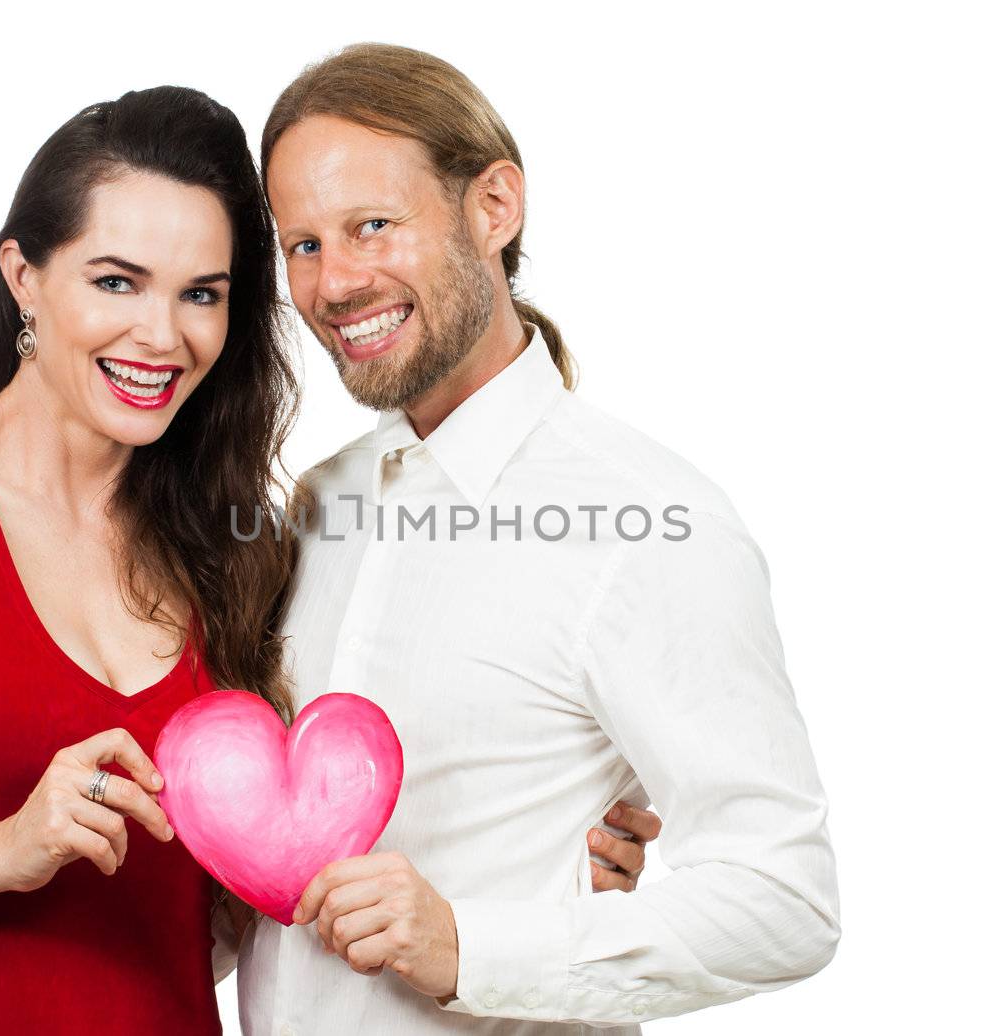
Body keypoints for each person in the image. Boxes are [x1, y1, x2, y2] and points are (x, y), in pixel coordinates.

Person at [0, 84, 654, 1034]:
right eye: (116, 280)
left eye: (201, 294)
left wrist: (545, 867)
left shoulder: (238, 547)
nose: (161, 334)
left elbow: (269, 872)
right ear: (24, 275)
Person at [241, 44, 842, 1034]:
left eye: (373, 226)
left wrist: (468, 945)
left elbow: (786, 896)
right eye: (301, 244)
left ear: (493, 208)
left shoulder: (650, 522)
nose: (334, 282)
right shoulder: (319, 503)